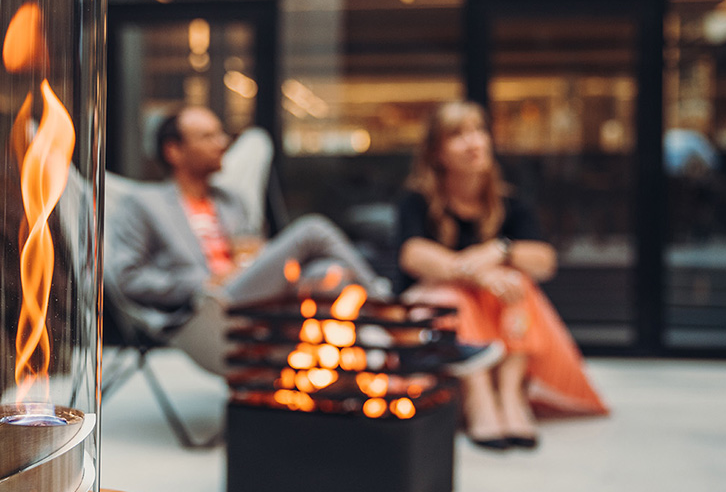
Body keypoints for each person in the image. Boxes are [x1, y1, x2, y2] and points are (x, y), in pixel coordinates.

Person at [107, 105, 501, 375]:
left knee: (331, 271)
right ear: (174, 151)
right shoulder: (144, 205)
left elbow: (253, 253)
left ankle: (353, 376)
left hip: (252, 298)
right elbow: (126, 279)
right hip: (205, 312)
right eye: (208, 136)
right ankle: (402, 327)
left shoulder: (229, 202)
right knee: (312, 230)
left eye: (220, 133)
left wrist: (255, 260)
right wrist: (201, 282)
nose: (222, 141)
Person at [396, 100, 609, 450]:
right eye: (458, 135)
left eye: (479, 131)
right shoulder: (416, 200)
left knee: (518, 284)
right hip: (430, 321)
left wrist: (501, 251)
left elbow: (544, 260)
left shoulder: (509, 203)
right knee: (451, 297)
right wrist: (476, 274)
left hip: (497, 323)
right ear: (437, 152)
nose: (473, 142)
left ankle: (511, 397)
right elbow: (413, 255)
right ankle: (481, 399)